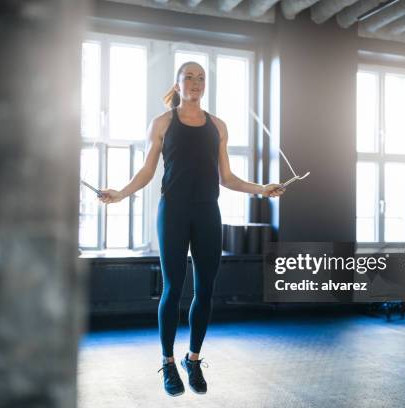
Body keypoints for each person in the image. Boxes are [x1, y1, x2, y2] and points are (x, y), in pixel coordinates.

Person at [99, 61, 285, 397]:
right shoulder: (161, 124)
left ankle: (193, 359)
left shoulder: (218, 126)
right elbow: (145, 172)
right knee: (172, 289)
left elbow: (227, 178)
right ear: (178, 84)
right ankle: (168, 363)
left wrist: (263, 188)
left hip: (207, 213)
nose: (196, 83)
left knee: (206, 290)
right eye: (189, 77)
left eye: (201, 78)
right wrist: (120, 193)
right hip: (172, 212)